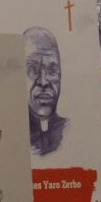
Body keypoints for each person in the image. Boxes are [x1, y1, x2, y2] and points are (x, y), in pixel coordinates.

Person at [24, 27, 68, 156]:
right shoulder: (11, 134)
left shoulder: (70, 132)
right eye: (33, 70)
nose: (43, 82)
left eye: (52, 71)